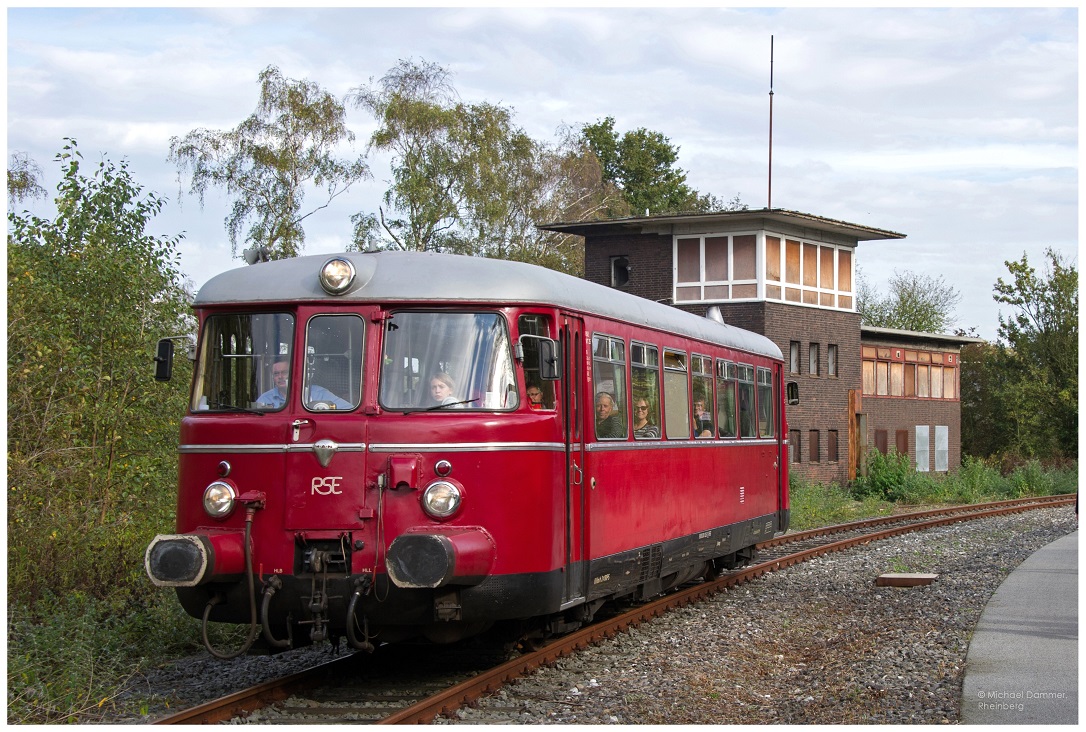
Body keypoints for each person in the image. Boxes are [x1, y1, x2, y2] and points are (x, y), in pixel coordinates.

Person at [256, 357, 351, 410]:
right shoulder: (265, 398)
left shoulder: (319, 393)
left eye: (285, 372)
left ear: (294, 373)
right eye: (276, 374)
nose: (280, 377)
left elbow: (348, 410)